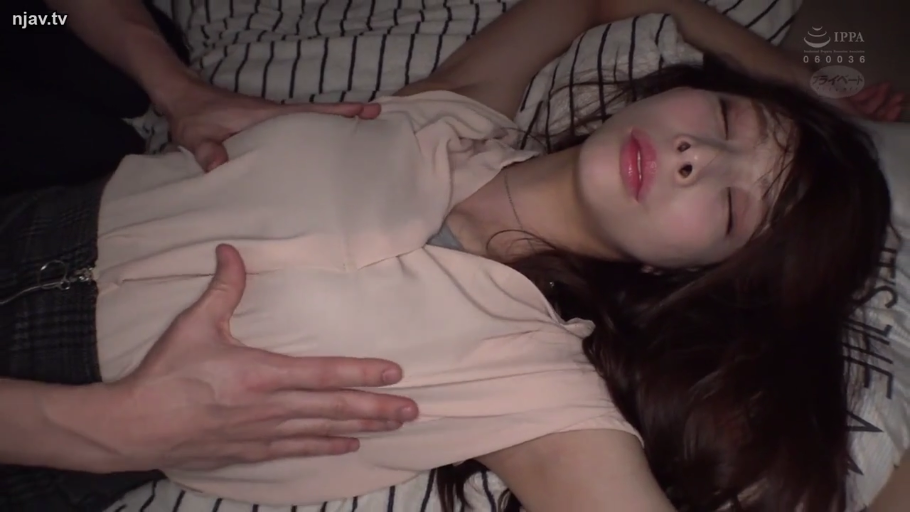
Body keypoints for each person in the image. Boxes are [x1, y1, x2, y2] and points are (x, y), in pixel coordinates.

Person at [0, 2, 903, 512]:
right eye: (730, 120)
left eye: (734, 205)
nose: (697, 155)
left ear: (694, 275)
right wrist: (797, 84)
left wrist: (116, 430)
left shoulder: (529, 381)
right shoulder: (451, 114)